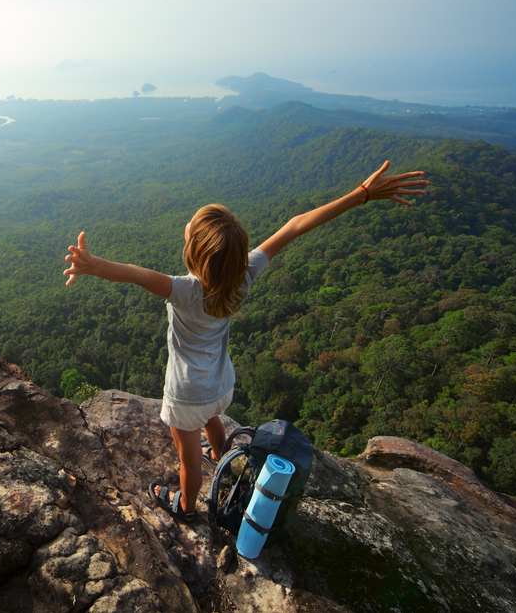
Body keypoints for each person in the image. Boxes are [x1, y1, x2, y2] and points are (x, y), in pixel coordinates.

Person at [62, 161, 428, 523]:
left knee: (188, 460)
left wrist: (94, 265)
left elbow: (136, 276)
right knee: (213, 418)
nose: (187, 226)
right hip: (221, 386)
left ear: (195, 251)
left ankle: (186, 507)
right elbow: (294, 227)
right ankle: (224, 460)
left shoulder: (184, 290)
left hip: (187, 395)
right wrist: (361, 195)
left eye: (191, 228)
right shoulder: (244, 275)